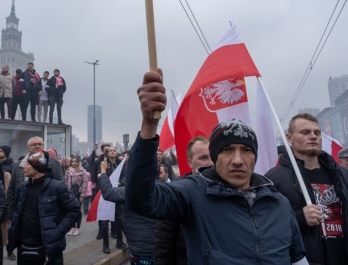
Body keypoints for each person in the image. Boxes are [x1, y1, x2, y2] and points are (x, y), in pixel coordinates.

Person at [125, 70, 308, 265]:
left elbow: (297, 258)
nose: (238, 160)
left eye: (246, 150)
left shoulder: (279, 203)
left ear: (255, 157)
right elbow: (140, 199)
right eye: (227, 150)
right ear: (214, 157)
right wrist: (149, 125)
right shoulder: (192, 194)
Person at [266, 113, 348, 264]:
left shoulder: (342, 175)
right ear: (289, 138)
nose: (313, 136)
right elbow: (266, 228)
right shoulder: (275, 179)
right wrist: (299, 218)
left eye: (317, 132)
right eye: (305, 132)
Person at [8, 151, 80, 264]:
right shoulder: (22, 188)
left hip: (48, 247)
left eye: (27, 164)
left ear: (36, 168)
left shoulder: (56, 187)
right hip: (24, 247)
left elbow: (74, 210)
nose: (23, 167)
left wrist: (58, 231)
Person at [155, 136, 213, 265]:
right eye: (203, 158)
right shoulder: (176, 194)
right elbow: (163, 246)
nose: (210, 163)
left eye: (212, 157)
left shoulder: (226, 191)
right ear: (189, 162)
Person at [6, 136, 64, 260]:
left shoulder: (53, 162)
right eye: (34, 144)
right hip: (24, 215)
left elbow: (61, 185)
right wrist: (10, 213)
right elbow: (11, 190)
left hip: (47, 215)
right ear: (28, 148)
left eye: (40, 144)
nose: (37, 146)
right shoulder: (18, 166)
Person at [100, 161, 156, 263]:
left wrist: (103, 172)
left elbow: (108, 192)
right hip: (158, 246)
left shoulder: (131, 192)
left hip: (140, 249)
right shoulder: (163, 189)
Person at [65, 157, 88, 236]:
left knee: (77, 211)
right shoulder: (69, 170)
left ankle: (77, 227)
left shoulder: (83, 171)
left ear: (78, 162)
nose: (73, 163)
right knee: (70, 211)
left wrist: (82, 195)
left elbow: (85, 184)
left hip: (78, 193)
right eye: (72, 161)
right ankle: (72, 227)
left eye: (75, 161)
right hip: (70, 193)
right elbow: (66, 182)